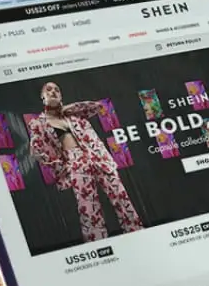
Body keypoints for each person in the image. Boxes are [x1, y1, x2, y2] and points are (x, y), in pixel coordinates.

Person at [28, 81, 145, 243]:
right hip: (75, 162)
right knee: (89, 208)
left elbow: (96, 107)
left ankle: (137, 233)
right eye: (49, 90)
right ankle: (98, 244)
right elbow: (36, 150)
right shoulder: (38, 123)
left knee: (121, 196)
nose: (53, 92)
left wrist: (68, 108)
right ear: (42, 96)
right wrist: (61, 166)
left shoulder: (74, 115)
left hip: (98, 156)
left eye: (57, 90)